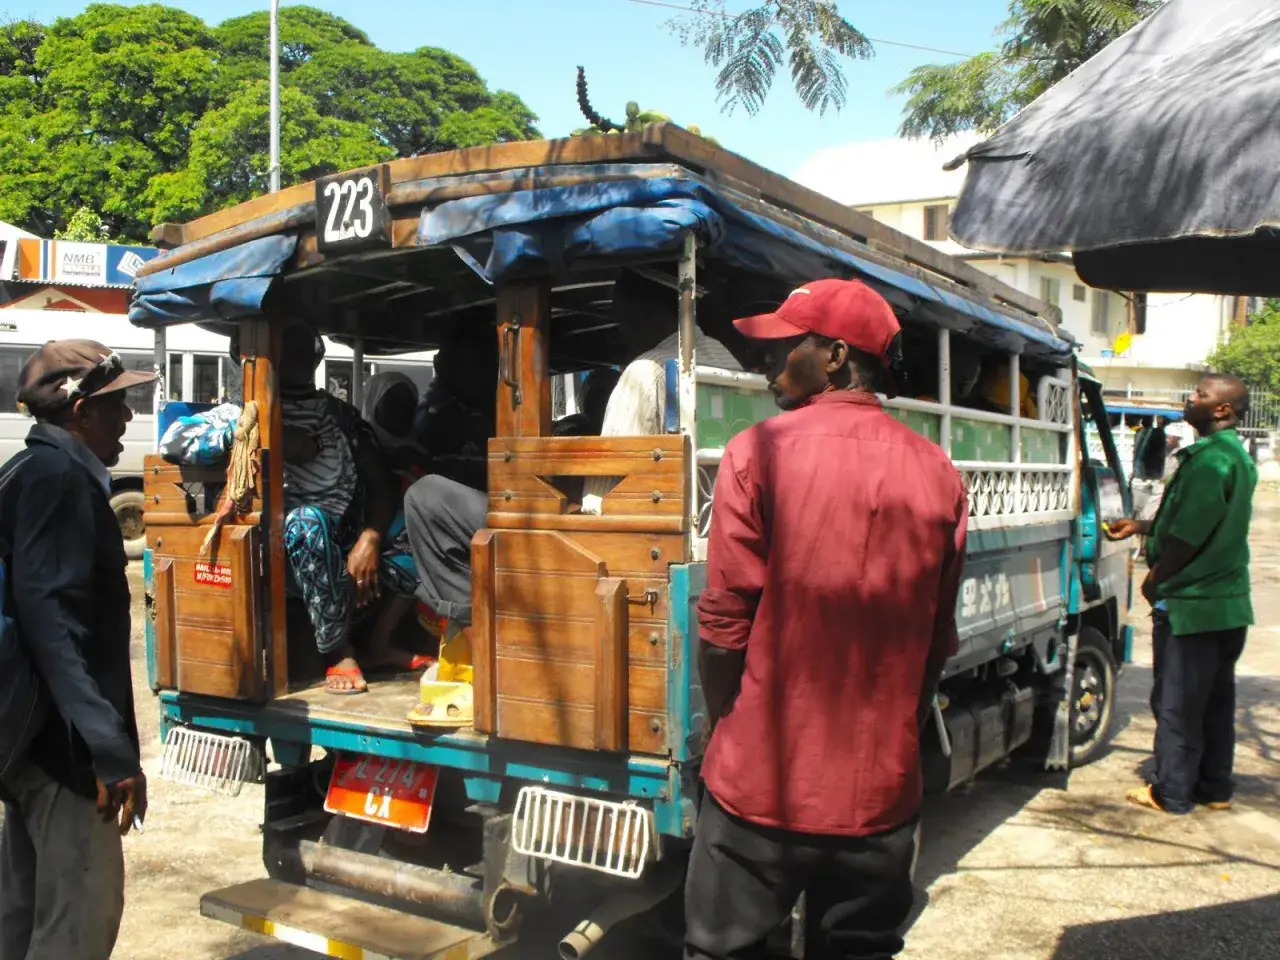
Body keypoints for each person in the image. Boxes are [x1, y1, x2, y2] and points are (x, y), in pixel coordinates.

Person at [685, 279, 969, 960]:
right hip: (877, 794)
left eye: (785, 345)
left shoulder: (759, 452)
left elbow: (725, 624)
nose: (766, 362)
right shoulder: (937, 471)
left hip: (761, 783)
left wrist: (730, 725)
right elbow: (934, 641)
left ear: (837, 354)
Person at [0, 340, 154, 960]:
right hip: (61, 752)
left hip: (27, 741)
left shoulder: (25, 469)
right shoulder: (60, 480)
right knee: (78, 922)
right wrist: (108, 749)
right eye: (117, 405)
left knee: (23, 909)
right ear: (81, 411)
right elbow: (52, 624)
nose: (129, 419)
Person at [1106, 375, 1257, 814]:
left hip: (1192, 604)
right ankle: (1214, 787)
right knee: (1214, 700)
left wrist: (1156, 579)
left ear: (1222, 411)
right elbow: (1200, 518)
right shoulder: (1235, 459)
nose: (1190, 400)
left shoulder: (1209, 461)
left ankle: (1171, 792)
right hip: (1227, 603)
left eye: (1200, 396)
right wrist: (1141, 526)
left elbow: (1189, 534)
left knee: (1176, 703)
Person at [273, 319, 426, 693]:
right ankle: (337, 653)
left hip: (345, 539)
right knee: (308, 520)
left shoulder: (340, 416)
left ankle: (379, 643)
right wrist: (282, 438)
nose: (297, 356)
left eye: (303, 347)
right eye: (287, 347)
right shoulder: (250, 412)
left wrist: (370, 539)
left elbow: (382, 484)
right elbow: (177, 442)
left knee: (424, 518)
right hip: (285, 550)